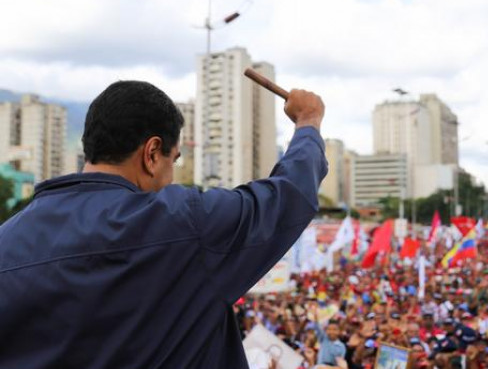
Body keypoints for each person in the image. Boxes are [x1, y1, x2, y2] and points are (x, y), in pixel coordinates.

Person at [0, 81, 327, 368]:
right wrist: (308, 123)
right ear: (152, 153)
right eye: (175, 160)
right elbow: (289, 195)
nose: (172, 173)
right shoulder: (184, 223)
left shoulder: (6, 241)